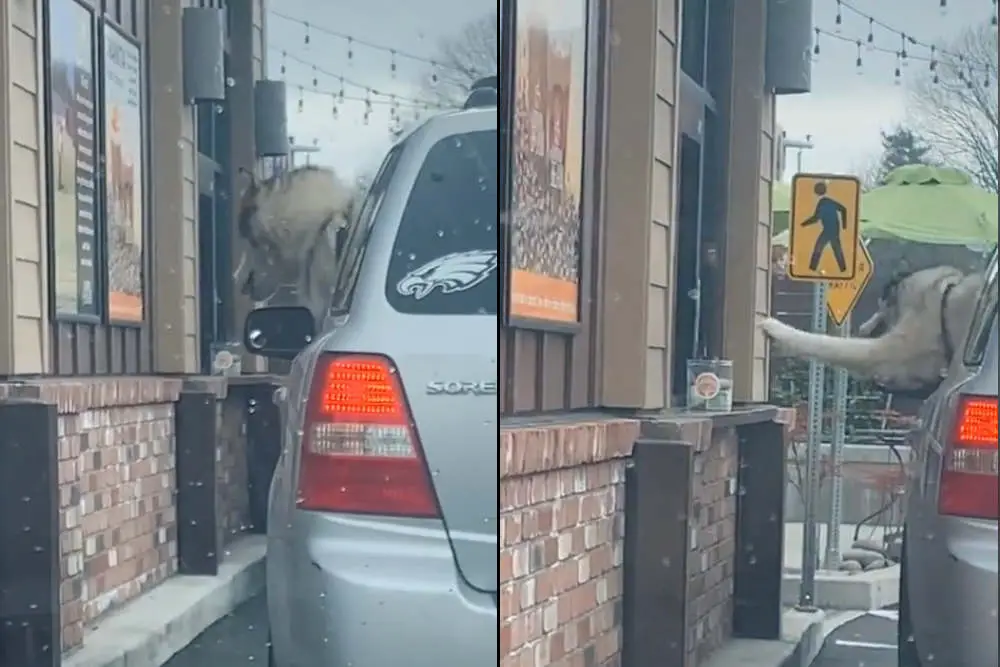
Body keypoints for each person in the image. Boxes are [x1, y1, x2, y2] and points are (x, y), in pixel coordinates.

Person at [801, 181, 848, 273]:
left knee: (819, 247)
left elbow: (816, 218)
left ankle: (812, 268)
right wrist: (843, 226)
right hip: (833, 229)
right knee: (835, 249)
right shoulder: (828, 201)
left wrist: (802, 224)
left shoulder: (822, 203)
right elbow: (843, 209)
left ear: (816, 192)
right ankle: (843, 269)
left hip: (829, 230)